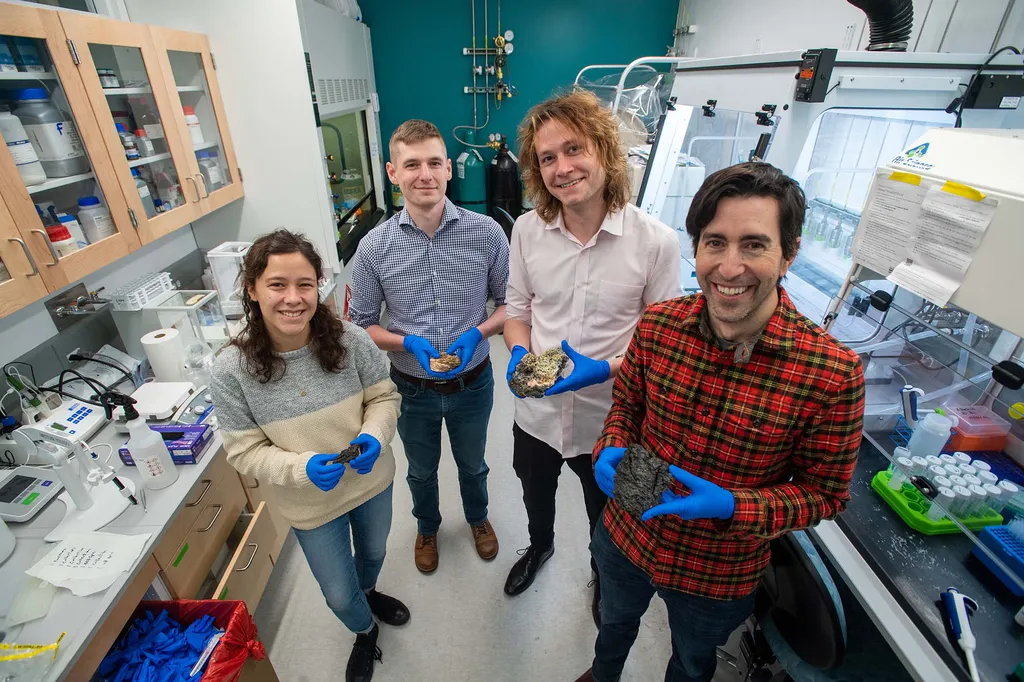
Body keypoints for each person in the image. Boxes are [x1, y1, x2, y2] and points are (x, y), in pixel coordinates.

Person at [574, 162, 866, 682]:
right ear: (697, 248)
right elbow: (627, 407)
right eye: (715, 243)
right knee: (613, 625)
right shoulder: (660, 326)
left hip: (719, 569)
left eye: (754, 245)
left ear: (789, 254)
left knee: (691, 660)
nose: (729, 268)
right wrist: (612, 445)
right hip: (628, 532)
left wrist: (736, 506)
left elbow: (826, 494)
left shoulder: (831, 374)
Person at [502, 90, 682, 624]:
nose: (562, 168)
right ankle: (539, 546)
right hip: (536, 415)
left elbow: (666, 344)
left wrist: (603, 369)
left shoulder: (655, 241)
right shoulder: (527, 230)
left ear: (604, 150)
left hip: (615, 421)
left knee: (611, 516)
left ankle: (604, 576)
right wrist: (517, 355)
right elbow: (517, 311)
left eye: (573, 149)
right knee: (535, 493)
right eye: (547, 157)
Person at [212, 230, 406, 682]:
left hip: (370, 480)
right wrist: (298, 469)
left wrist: (375, 438)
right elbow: (243, 451)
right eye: (277, 284)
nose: (293, 299)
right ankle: (363, 629)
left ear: (319, 285)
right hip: (309, 503)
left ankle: (371, 592)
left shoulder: (352, 340)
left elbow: (385, 398)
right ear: (252, 288)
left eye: (305, 284)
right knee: (339, 594)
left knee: (373, 553)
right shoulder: (231, 369)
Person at [349, 119, 509, 574]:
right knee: (420, 471)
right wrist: (404, 342)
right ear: (392, 172)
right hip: (410, 389)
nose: (426, 174)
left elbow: (512, 304)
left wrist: (478, 332)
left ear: (447, 169)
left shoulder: (487, 233)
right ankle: (427, 527)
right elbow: (359, 326)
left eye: (435, 162)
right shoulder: (373, 247)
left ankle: (478, 519)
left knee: (474, 465)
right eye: (412, 164)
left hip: (473, 381)